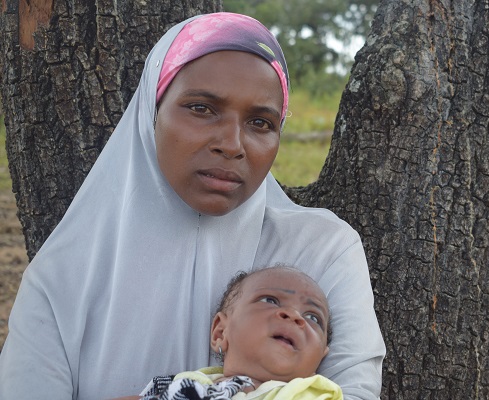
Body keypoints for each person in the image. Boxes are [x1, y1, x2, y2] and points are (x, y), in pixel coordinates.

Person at [0, 12, 385, 400]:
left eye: (260, 122)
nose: (232, 144)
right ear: (153, 111)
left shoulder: (323, 250)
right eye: (202, 108)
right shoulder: (64, 278)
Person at [135, 266, 342, 400]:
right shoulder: (185, 383)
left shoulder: (316, 394)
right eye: (270, 300)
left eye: (313, 317)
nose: (294, 315)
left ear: (319, 358)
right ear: (220, 332)